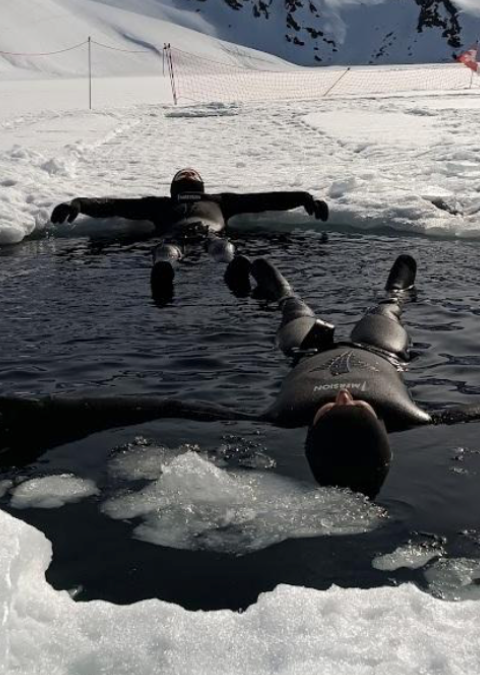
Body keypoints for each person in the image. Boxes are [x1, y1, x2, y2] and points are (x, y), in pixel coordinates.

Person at [2, 255, 479, 499]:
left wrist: (42, 412)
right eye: (360, 406)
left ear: (311, 429)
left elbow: (163, 407)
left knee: (294, 313)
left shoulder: (278, 417)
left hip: (305, 352)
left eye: (334, 408)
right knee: (386, 309)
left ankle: (285, 292)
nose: (346, 393)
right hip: (381, 353)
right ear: (382, 425)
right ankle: (397, 287)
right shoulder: (417, 418)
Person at [50, 168, 329, 299]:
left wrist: (77, 204)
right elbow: (266, 200)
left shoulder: (159, 204)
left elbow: (112, 206)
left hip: (172, 235)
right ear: (201, 186)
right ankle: (231, 265)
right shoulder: (220, 200)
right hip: (210, 232)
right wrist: (304, 198)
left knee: (165, 251)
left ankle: (164, 267)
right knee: (220, 246)